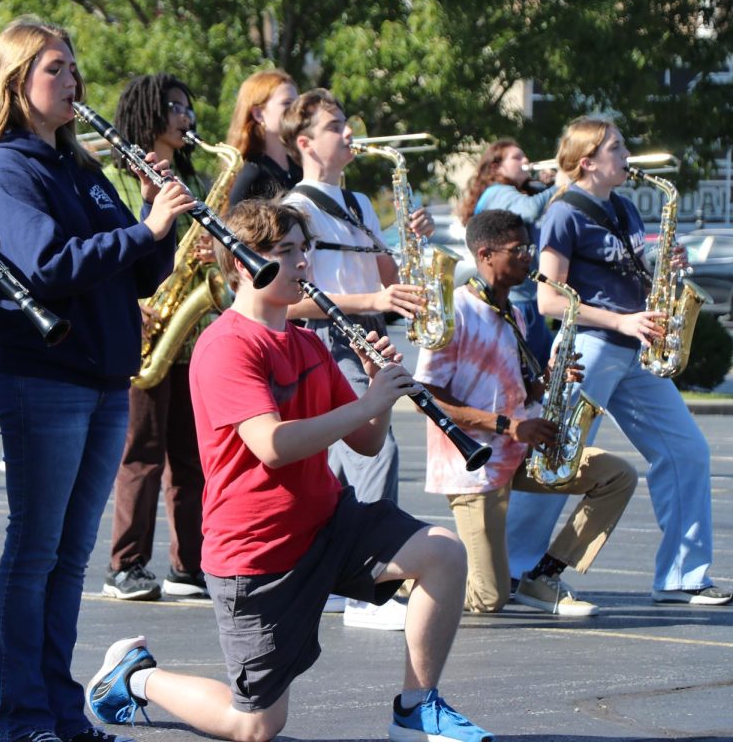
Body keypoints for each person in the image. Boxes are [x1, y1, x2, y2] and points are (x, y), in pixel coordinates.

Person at [85, 198, 493, 742]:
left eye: (305, 250)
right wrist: (366, 404)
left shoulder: (305, 343)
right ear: (239, 263)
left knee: (443, 552)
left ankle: (416, 708)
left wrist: (378, 386)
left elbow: (366, 444)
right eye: (286, 252)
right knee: (255, 726)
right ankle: (136, 676)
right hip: (257, 554)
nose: (304, 264)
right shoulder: (226, 345)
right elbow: (272, 445)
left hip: (326, 524)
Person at [0, 17, 195, 742]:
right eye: (54, 70)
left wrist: (161, 218)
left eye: (73, 70)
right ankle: (24, 718)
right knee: (34, 551)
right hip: (46, 378)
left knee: (69, 559)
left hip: (103, 378)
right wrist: (145, 228)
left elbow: (138, 271)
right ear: (16, 84)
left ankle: (61, 711)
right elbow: (46, 266)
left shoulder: (79, 165)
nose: (72, 82)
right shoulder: (9, 168)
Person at [505, 117, 731, 606]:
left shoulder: (625, 208)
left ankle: (681, 576)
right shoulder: (564, 214)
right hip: (588, 348)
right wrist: (620, 321)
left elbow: (625, 275)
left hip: (634, 349)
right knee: (558, 458)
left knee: (686, 451)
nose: (626, 154)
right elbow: (548, 301)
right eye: (617, 146)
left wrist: (664, 271)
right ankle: (514, 568)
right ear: (588, 161)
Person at [413, 209, 637, 616]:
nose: (529, 258)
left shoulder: (512, 314)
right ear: (486, 255)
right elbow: (426, 397)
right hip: (473, 466)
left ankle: (544, 575)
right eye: (519, 250)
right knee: (488, 598)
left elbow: (516, 390)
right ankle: (405, 578)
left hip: (516, 453)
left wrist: (549, 380)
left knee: (617, 475)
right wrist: (511, 426)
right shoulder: (455, 313)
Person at [277, 88, 433, 628]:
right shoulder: (294, 209)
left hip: (365, 335)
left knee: (343, 469)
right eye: (335, 126)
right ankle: (370, 585)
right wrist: (375, 301)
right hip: (327, 338)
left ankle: (337, 582)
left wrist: (408, 244)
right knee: (374, 453)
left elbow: (388, 277)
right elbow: (294, 298)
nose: (349, 134)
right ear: (305, 142)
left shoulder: (361, 204)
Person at [102, 73, 212, 601]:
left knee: (191, 457)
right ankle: (127, 565)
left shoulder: (193, 178)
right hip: (143, 326)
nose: (185, 117)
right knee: (142, 453)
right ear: (147, 111)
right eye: (174, 107)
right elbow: (116, 246)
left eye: (188, 108)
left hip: (187, 331)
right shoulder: (112, 179)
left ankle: (188, 565)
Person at [456, 139, 556, 367]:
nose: (525, 161)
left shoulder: (510, 193)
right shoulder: (497, 191)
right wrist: (562, 183)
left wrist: (547, 185)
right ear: (495, 167)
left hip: (526, 298)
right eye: (517, 158)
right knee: (526, 371)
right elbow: (530, 209)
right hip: (517, 300)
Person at [224, 70, 302, 207]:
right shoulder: (250, 173)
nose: (298, 111)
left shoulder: (299, 167)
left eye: (297, 104)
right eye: (287, 103)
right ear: (258, 114)